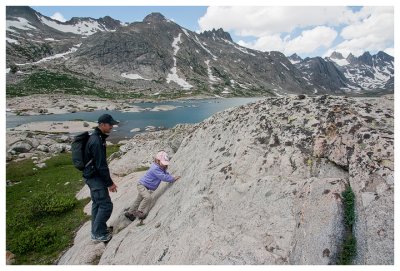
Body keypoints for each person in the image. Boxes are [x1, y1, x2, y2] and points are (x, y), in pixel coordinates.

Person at [83, 114, 119, 242]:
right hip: (95, 178)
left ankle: (97, 230)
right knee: (106, 206)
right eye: (110, 124)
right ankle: (98, 233)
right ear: (102, 124)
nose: (112, 127)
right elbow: (101, 165)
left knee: (97, 204)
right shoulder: (96, 141)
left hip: (91, 177)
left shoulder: (96, 137)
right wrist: (110, 184)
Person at [125, 150, 180, 221]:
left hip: (145, 186)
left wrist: (169, 175)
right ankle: (140, 212)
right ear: (157, 160)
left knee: (138, 200)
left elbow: (164, 173)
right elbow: (163, 177)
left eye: (165, 163)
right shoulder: (155, 168)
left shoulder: (161, 167)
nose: (164, 165)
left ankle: (129, 213)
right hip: (142, 185)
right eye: (163, 163)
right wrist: (172, 178)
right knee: (148, 197)